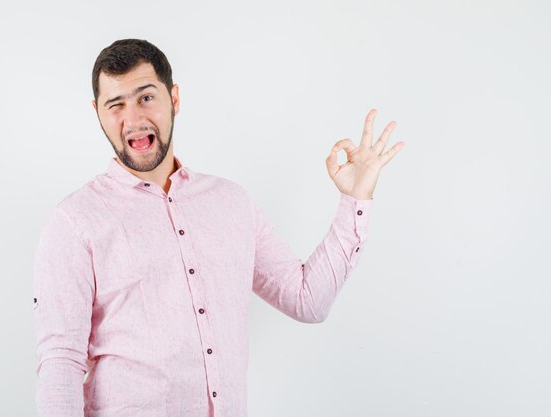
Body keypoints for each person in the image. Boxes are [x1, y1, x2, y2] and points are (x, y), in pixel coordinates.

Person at [32, 38, 404, 417]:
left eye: (146, 98)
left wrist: (356, 199)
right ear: (98, 112)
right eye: (116, 104)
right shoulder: (74, 221)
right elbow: (60, 361)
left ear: (174, 99)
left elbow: (307, 300)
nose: (133, 118)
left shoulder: (231, 202)